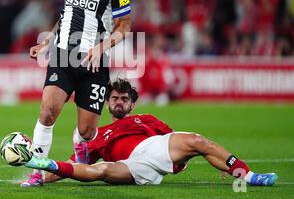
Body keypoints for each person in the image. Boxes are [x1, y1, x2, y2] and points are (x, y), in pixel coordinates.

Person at [22, 0, 132, 187]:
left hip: (94, 65)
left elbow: (124, 27)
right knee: (47, 112)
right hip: (63, 56)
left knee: (87, 131)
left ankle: (79, 146)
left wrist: (101, 47)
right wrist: (46, 41)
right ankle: (38, 171)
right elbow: (66, 17)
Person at [20, 78, 278, 187]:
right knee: (101, 171)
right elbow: (77, 163)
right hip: (132, 167)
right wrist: (46, 177)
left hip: (154, 148)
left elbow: (181, 147)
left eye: (124, 99)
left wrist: (217, 161)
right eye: (114, 98)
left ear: (132, 104)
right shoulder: (97, 134)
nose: (119, 102)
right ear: (107, 103)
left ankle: (249, 176)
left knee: (199, 140)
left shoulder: (148, 120)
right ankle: (42, 167)